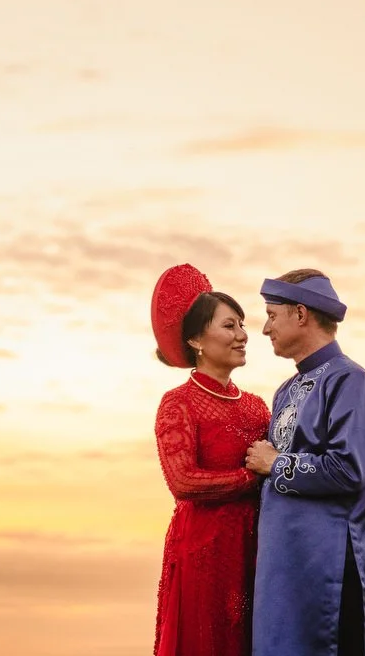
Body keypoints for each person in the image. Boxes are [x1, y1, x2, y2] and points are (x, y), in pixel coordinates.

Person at [244, 269, 365, 656]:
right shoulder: (285, 391)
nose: (264, 329)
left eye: (272, 315)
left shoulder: (350, 381)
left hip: (331, 569)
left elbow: (348, 469)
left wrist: (276, 464)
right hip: (284, 570)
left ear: (300, 314)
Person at [150, 264, 271, 656]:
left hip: (255, 545)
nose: (242, 336)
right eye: (230, 326)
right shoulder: (178, 403)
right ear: (197, 340)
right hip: (203, 547)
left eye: (242, 326)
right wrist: (249, 478)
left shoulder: (257, 407)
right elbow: (183, 482)